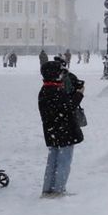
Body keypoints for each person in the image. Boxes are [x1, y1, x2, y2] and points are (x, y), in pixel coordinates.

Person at [37, 59, 84, 197]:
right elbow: (68, 107)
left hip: (52, 132)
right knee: (64, 161)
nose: (62, 76)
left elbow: (61, 107)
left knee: (53, 160)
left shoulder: (45, 90)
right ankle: (58, 189)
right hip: (65, 132)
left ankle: (48, 189)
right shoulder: (55, 91)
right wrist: (79, 94)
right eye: (60, 73)